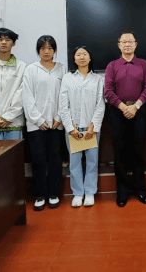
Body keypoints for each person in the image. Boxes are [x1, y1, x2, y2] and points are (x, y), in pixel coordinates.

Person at [104, 31, 146, 207]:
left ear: (135, 44)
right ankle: (122, 192)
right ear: (119, 45)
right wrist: (124, 107)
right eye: (124, 42)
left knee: (139, 152)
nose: (127, 44)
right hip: (118, 112)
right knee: (120, 154)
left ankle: (140, 190)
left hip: (139, 111)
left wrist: (135, 107)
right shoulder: (112, 66)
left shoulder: (143, 64)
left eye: (130, 41)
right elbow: (108, 91)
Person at [23, 35, 66, 211]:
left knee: (56, 159)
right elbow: (27, 97)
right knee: (38, 160)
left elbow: (64, 96)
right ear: (38, 50)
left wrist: (59, 117)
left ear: (54, 50)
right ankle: (40, 195)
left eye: (50, 48)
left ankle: (54, 194)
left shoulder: (62, 69)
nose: (46, 51)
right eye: (42, 48)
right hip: (36, 125)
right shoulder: (31, 69)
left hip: (56, 123)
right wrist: (39, 120)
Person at [59, 46, 105, 208]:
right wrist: (70, 127)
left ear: (90, 58)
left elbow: (100, 104)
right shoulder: (67, 78)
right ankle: (78, 193)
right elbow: (63, 105)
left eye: (85, 54)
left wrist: (93, 126)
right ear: (74, 59)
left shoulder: (97, 79)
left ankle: (90, 192)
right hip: (74, 129)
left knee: (92, 161)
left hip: (92, 128)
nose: (82, 57)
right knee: (74, 162)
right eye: (78, 54)